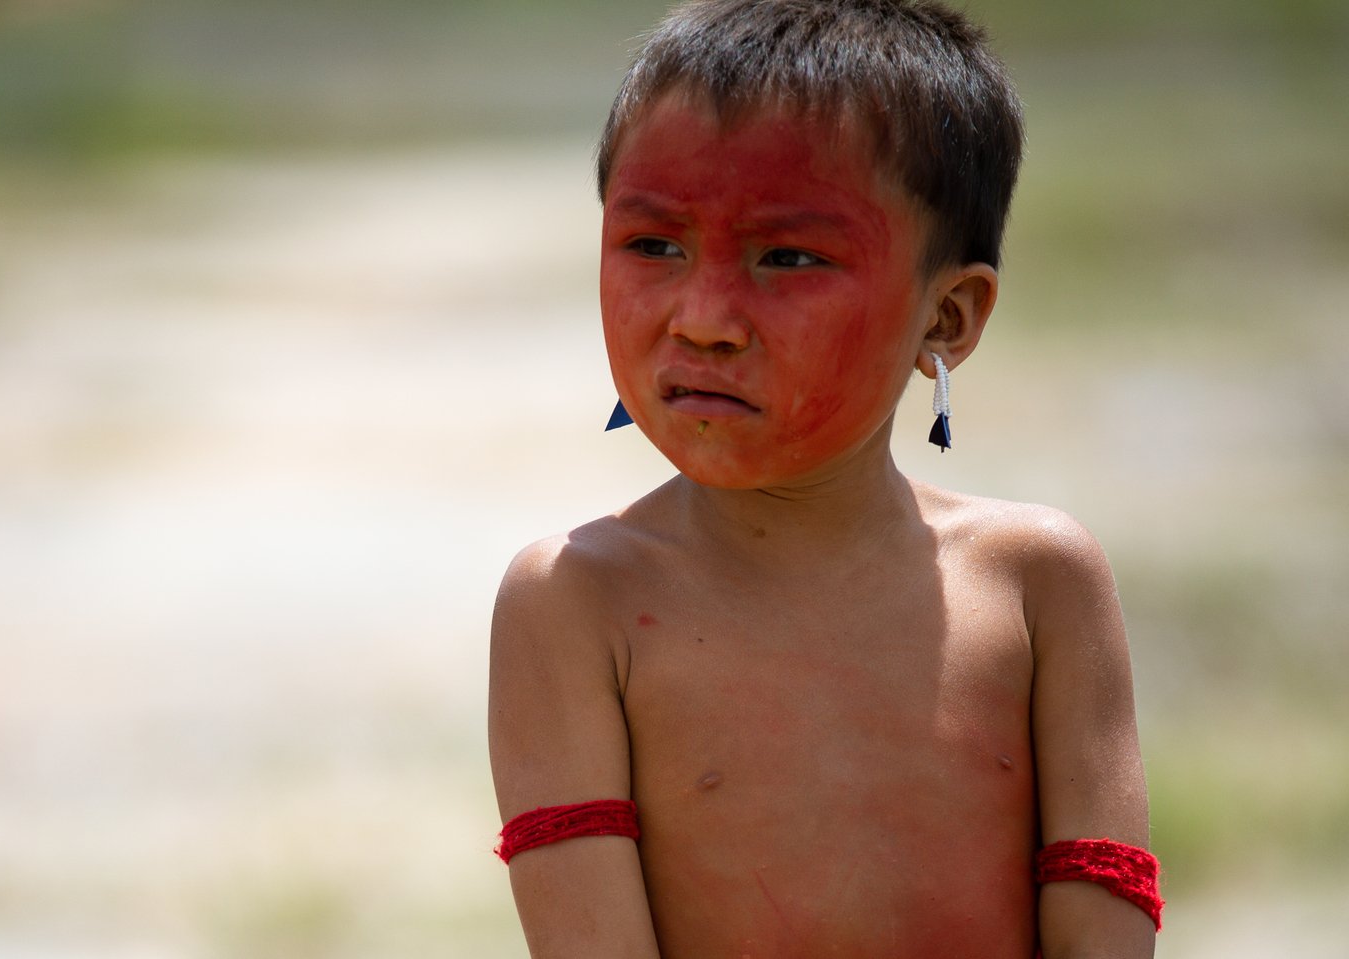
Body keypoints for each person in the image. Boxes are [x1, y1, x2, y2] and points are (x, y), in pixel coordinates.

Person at [488, 1, 1161, 956]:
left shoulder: (1037, 584)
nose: (704, 317)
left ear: (949, 317)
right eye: (655, 246)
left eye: (788, 257)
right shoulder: (573, 605)